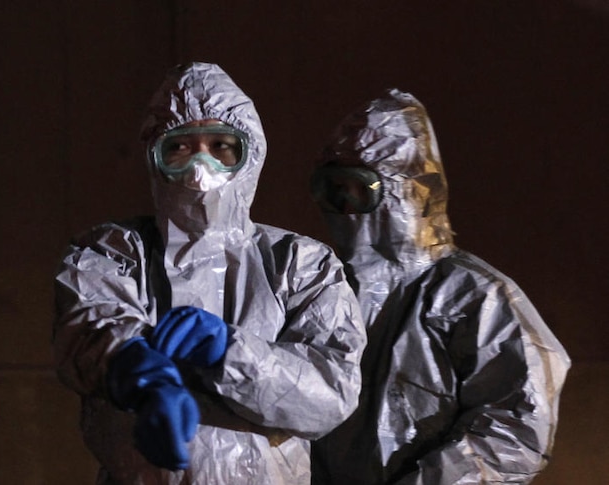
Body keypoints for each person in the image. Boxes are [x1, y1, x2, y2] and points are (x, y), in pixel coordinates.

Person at [53, 62, 367, 484]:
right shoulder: (113, 251)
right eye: (180, 149)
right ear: (155, 158)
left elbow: (331, 393)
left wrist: (233, 354)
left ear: (250, 154)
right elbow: (93, 329)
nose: (200, 171)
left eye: (221, 147)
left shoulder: (300, 263)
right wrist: (145, 379)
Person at [308, 88, 571, 484]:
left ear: (405, 191)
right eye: (335, 189)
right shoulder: (320, 286)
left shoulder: (476, 298)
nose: (346, 206)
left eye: (361, 188)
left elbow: (516, 431)